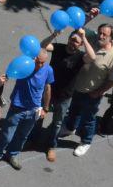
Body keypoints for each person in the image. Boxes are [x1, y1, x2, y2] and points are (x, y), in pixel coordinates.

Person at [62, 19, 113, 156]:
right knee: (74, 110)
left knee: (88, 119)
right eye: (100, 32)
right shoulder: (95, 38)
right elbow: (78, 29)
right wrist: (89, 17)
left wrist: (99, 92)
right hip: (78, 86)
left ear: (111, 38)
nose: (101, 36)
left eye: (104, 35)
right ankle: (70, 128)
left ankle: (86, 141)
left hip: (92, 93)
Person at [0, 50, 53, 170]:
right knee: (7, 136)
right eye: (38, 62)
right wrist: (2, 80)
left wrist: (45, 108)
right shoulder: (25, 66)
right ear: (33, 58)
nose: (40, 65)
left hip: (34, 110)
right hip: (17, 108)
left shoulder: (48, 70)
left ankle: (13, 154)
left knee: (23, 136)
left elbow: (47, 89)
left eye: (42, 63)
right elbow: (10, 73)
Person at [33, 25, 88, 162]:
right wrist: (54, 35)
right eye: (72, 39)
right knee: (39, 116)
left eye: (76, 41)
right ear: (68, 39)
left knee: (57, 123)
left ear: (80, 44)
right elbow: (42, 46)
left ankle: (51, 146)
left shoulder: (81, 56)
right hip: (48, 91)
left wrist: (84, 37)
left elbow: (92, 57)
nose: (73, 42)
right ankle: (33, 138)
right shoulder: (59, 48)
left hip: (65, 96)